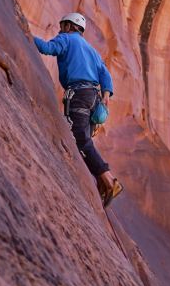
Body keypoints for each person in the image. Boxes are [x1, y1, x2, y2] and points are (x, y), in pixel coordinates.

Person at [34, 12, 123, 206]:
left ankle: (108, 180)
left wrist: (26, 33)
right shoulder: (91, 50)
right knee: (85, 141)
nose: (60, 28)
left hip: (78, 95)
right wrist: (106, 95)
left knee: (79, 139)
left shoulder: (66, 38)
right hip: (94, 98)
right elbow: (105, 74)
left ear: (68, 26)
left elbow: (49, 48)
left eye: (62, 25)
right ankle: (101, 183)